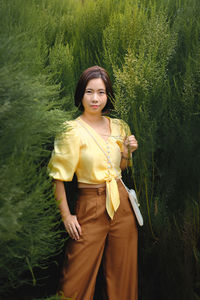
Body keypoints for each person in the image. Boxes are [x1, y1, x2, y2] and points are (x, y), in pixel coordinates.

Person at [48, 66, 138, 300]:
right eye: (89, 92)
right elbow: (58, 178)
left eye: (101, 92)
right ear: (81, 95)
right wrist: (67, 216)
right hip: (90, 205)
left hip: (123, 205)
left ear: (108, 95)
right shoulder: (71, 131)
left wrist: (127, 152)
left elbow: (121, 169)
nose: (95, 98)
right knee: (74, 282)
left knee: (123, 276)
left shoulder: (120, 126)